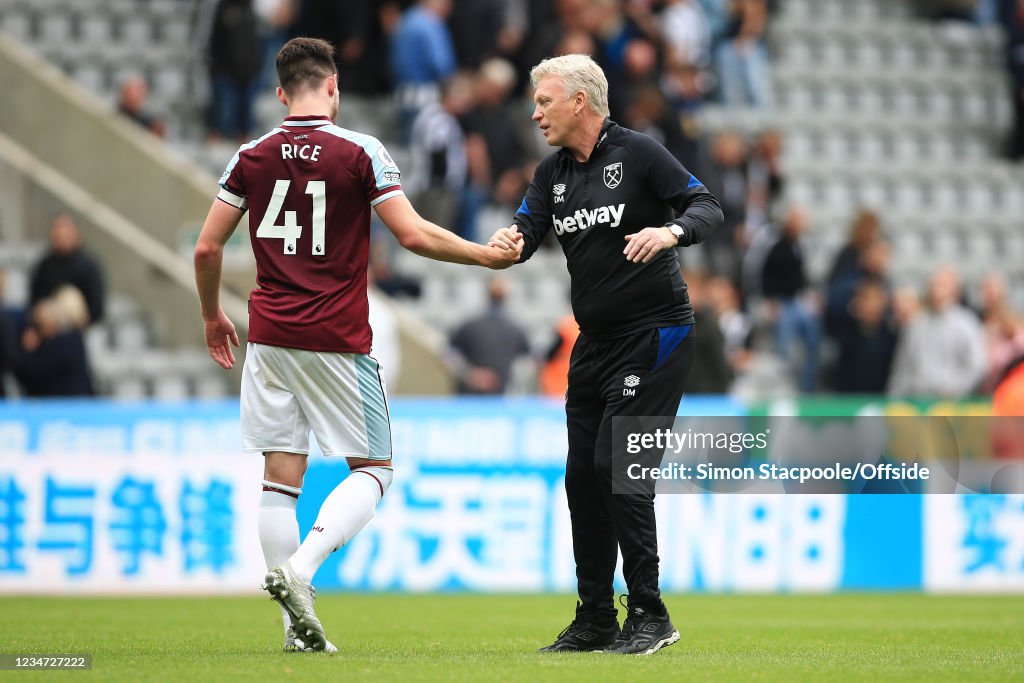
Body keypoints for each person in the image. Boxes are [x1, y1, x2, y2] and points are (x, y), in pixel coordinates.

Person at [193, 37, 520, 654]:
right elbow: (414, 235)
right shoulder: (359, 151)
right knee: (375, 470)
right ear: (334, 88)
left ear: (282, 93)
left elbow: (207, 247)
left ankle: (295, 630)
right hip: (337, 339)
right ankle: (303, 570)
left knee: (278, 480)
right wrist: (483, 255)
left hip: (267, 339)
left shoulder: (251, 155)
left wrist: (213, 316)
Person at [488, 53, 723, 656]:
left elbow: (707, 207)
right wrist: (507, 240)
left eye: (544, 101)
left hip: (657, 334)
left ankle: (650, 612)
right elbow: (525, 235)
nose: (535, 112)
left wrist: (669, 232)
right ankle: (595, 617)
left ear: (580, 103)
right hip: (594, 345)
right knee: (581, 478)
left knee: (619, 467)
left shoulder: (639, 153)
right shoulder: (550, 173)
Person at [447, 276, 531, 394]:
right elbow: (451, 354)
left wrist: (471, 375)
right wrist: (470, 375)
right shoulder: (516, 327)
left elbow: (450, 355)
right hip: (477, 397)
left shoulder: (516, 328)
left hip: (494, 397)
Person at [29, 213, 105, 325]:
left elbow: (96, 308)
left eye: (66, 230)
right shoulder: (44, 265)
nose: (61, 235)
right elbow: (34, 301)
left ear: (76, 234)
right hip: (47, 328)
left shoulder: (89, 266)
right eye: (57, 230)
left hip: (77, 329)